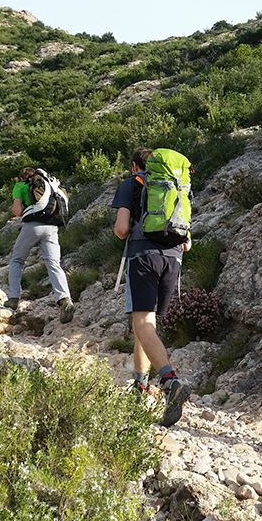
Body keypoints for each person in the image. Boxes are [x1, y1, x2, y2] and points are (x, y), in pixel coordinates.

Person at [112, 147, 192, 427]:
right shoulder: (175, 185)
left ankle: (170, 382)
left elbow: (122, 229)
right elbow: (187, 241)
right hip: (173, 259)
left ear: (135, 165)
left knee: (142, 322)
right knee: (145, 324)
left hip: (143, 257)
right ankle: (141, 385)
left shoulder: (131, 184)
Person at [4, 167, 75, 324]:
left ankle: (14, 298)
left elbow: (17, 210)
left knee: (17, 260)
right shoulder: (48, 186)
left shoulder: (21, 186)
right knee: (54, 264)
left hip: (32, 226)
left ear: (22, 177)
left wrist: (28, 211)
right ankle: (64, 299)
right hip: (52, 227)